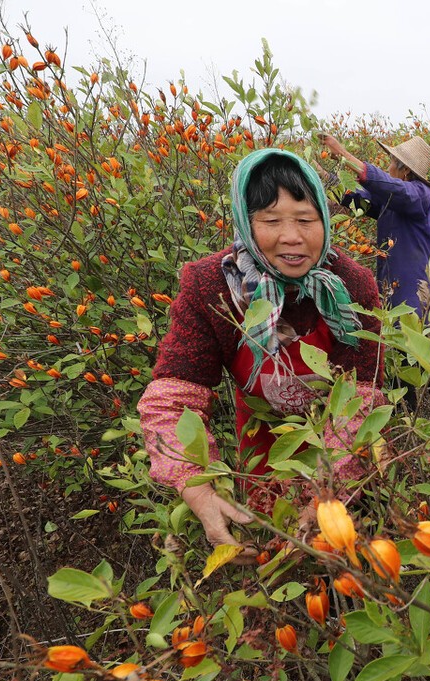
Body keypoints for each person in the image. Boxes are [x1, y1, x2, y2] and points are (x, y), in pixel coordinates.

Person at [138, 148, 385, 560]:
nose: (292, 236)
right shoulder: (211, 286)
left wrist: (325, 497)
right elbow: (173, 398)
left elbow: (360, 403)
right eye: (271, 221)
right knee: (272, 556)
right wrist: (195, 485)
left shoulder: (352, 286)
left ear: (325, 219)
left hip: (342, 449)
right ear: (245, 223)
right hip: (263, 446)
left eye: (307, 220)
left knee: (343, 557)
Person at [319, 133, 430, 318]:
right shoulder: (392, 200)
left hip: (416, 289)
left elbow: (391, 187)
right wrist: (323, 175)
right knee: (390, 334)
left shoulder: (422, 195)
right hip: (391, 284)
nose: (388, 168)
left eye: (391, 162)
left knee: (410, 337)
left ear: (405, 169)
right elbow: (358, 198)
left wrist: (344, 155)